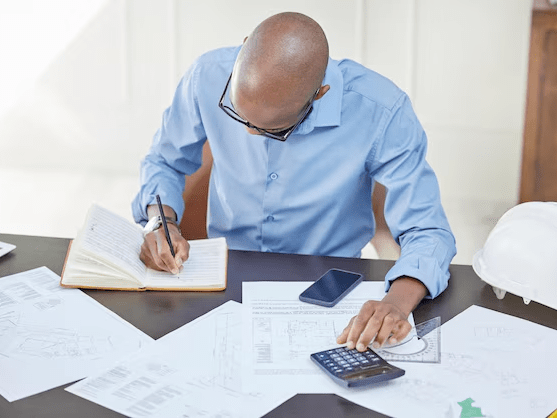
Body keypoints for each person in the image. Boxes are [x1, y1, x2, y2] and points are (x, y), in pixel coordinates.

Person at [132, 12, 456, 351]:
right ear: (243, 48)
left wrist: (397, 302)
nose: (247, 132)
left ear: (319, 95)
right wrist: (160, 221)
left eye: (272, 130)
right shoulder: (207, 75)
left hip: (330, 283)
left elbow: (428, 231)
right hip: (226, 276)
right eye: (236, 112)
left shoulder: (382, 111)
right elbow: (164, 162)